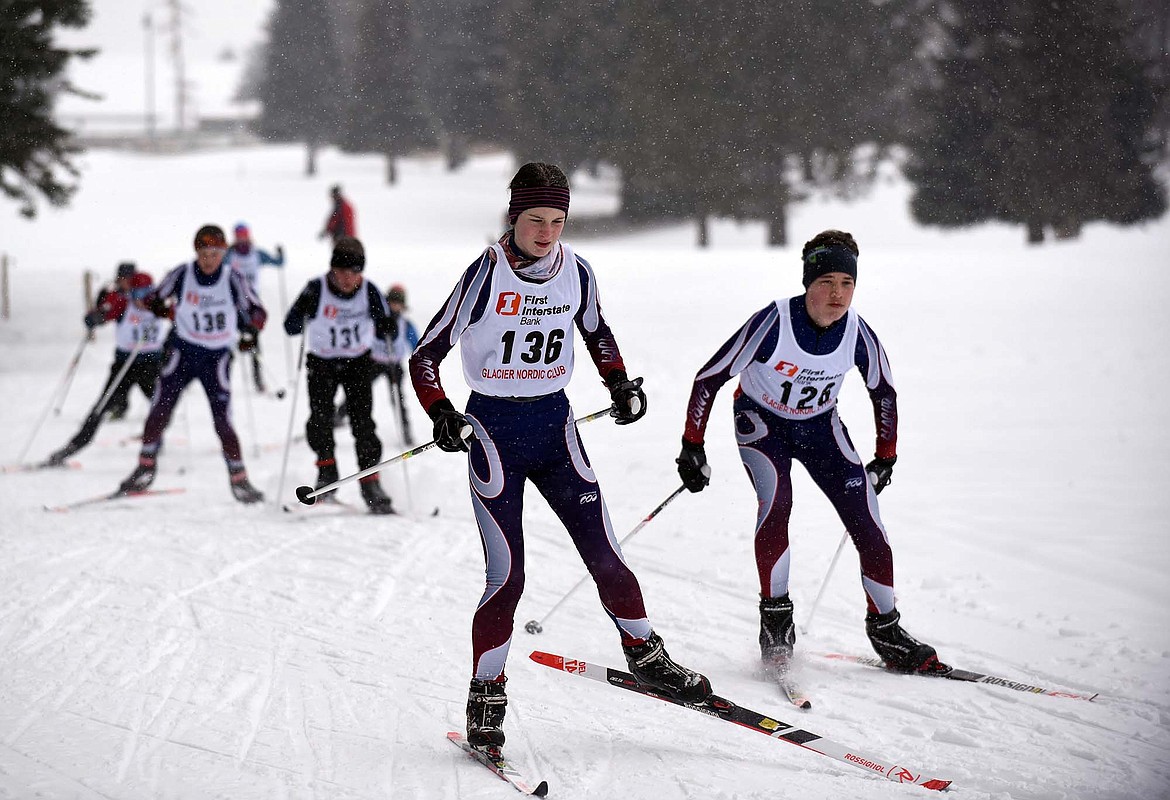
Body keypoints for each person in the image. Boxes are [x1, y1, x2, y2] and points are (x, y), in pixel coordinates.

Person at [409, 162, 712, 751]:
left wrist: (619, 383)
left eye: (557, 221)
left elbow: (596, 331)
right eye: (534, 221)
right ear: (513, 218)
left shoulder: (577, 270)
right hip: (494, 434)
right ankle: (486, 694)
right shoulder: (485, 274)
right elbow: (425, 354)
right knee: (508, 576)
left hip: (556, 428)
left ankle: (645, 654)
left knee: (605, 552)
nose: (546, 233)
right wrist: (443, 413)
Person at [675, 229, 949, 676]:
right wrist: (692, 446)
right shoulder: (774, 321)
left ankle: (887, 631)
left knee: (868, 519)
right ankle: (776, 624)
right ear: (807, 283)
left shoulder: (857, 331)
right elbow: (710, 376)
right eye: (826, 282)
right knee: (777, 504)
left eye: (846, 282)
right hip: (763, 426)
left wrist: (886, 456)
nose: (837, 294)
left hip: (820, 427)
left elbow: (884, 392)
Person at [117, 225, 267, 504]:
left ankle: (239, 478)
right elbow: (153, 297)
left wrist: (250, 331)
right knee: (160, 407)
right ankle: (145, 466)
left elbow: (258, 311)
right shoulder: (182, 274)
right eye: (205, 253)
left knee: (222, 419)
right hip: (183, 352)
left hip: (216, 357)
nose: (210, 259)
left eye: (216, 253)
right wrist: (162, 309)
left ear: (224, 253)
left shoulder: (231, 277)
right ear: (196, 252)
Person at [283, 237, 398, 514]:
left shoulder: (369, 291)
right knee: (320, 420)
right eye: (342, 272)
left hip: (357, 363)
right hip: (322, 363)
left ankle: (370, 482)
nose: (348, 279)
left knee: (363, 422)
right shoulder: (316, 289)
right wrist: (303, 313)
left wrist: (387, 324)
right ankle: (327, 472)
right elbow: (290, 326)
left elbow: (389, 330)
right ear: (332, 270)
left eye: (355, 273)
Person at [43, 268, 169, 466]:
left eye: (147, 294)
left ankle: (154, 444)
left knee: (161, 406)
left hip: (151, 364)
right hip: (125, 366)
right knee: (102, 407)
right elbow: (102, 314)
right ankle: (73, 446)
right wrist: (95, 318)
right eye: (138, 294)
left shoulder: (159, 306)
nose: (142, 300)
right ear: (130, 293)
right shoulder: (123, 303)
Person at [225, 222, 285, 392]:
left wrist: (281, 254)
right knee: (228, 341)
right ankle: (223, 378)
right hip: (233, 303)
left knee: (254, 340)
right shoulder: (230, 254)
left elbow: (278, 263)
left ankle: (258, 381)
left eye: (244, 235)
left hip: (253, 303)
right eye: (238, 235)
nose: (241, 238)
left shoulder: (257, 254)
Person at [368, 283, 418, 445]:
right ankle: (340, 415)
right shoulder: (377, 319)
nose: (395, 306)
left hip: (394, 365)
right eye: (392, 302)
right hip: (374, 362)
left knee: (398, 399)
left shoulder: (405, 324)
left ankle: (406, 431)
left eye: (398, 303)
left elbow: (416, 344)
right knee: (359, 391)